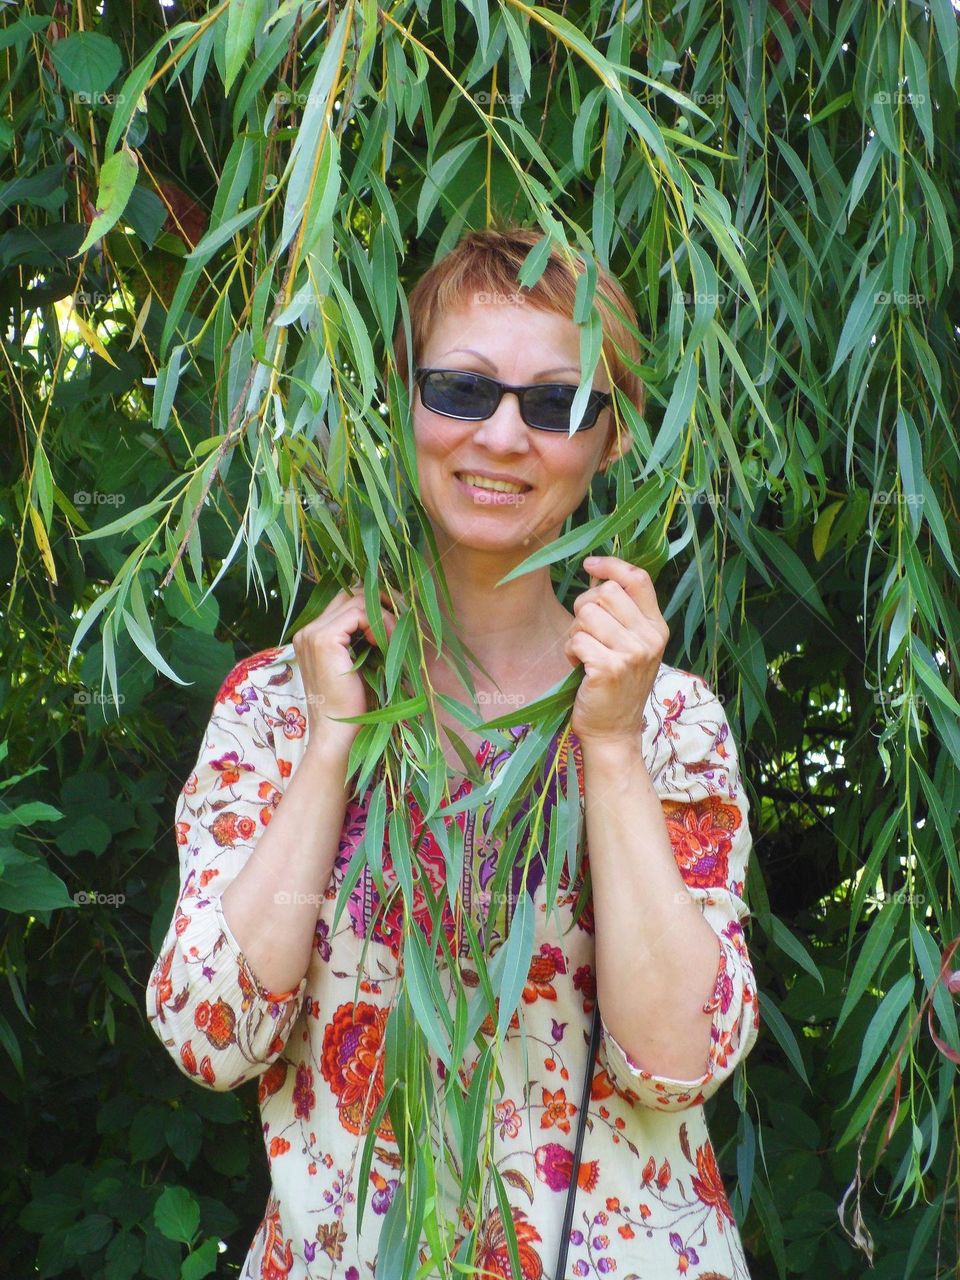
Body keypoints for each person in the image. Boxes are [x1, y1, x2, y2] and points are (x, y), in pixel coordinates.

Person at [146, 226, 759, 1279]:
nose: (506, 437)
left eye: (558, 402)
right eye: (464, 392)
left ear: (611, 438)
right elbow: (215, 1034)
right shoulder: (280, 707)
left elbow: (674, 1062)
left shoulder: (670, 722)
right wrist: (337, 741)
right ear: (405, 407)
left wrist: (607, 748)